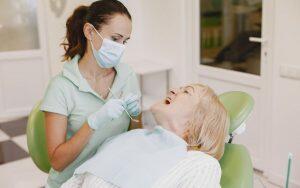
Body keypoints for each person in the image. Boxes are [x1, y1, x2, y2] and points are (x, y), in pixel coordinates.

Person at [40, 1, 141, 187]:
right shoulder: (61, 87)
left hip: (109, 179)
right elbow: (57, 162)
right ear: (89, 32)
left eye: (125, 41)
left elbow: (134, 136)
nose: (121, 47)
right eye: (115, 39)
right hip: (70, 182)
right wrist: (92, 123)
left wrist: (135, 116)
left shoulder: (127, 76)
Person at [61, 84, 230, 188]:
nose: (172, 89)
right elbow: (77, 182)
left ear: (197, 121)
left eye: (186, 91)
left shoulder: (200, 164)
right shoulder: (131, 138)